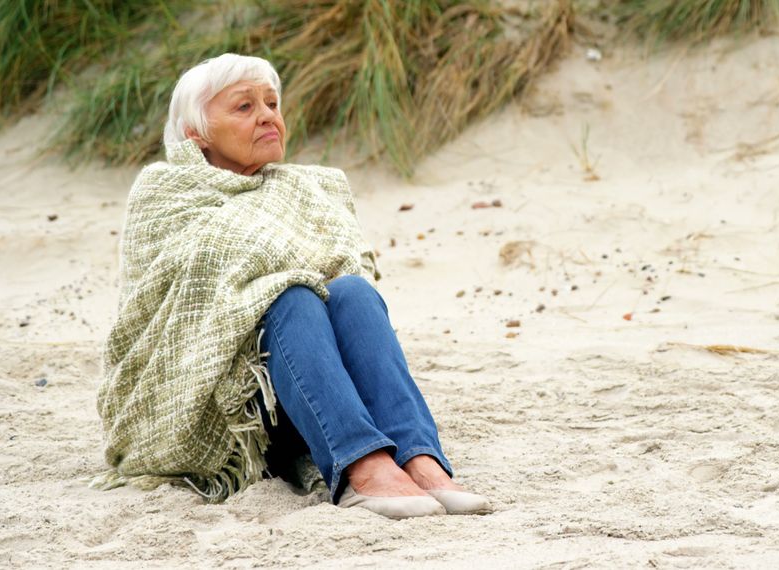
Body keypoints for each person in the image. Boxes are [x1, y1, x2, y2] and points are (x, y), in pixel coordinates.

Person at [94, 53, 489, 519]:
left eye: (272, 103)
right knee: (293, 296)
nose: (267, 115)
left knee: (353, 293)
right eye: (243, 107)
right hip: (228, 411)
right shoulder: (165, 191)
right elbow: (212, 272)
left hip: (314, 399)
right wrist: (288, 274)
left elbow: (345, 264)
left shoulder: (307, 189)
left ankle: (418, 459)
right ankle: (362, 467)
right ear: (196, 134)